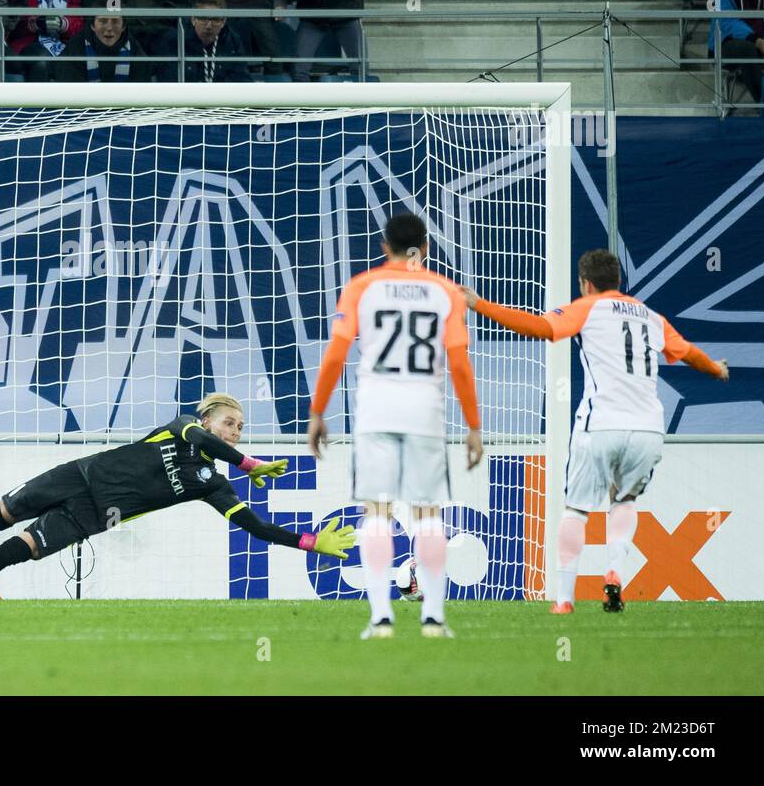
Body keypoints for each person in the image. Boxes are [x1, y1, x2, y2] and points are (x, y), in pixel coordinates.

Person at [0, 391, 355, 601]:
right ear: (207, 420)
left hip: (95, 515)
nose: (235, 431)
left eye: (241, 428)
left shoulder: (213, 483)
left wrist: (311, 543)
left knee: (10, 553)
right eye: (229, 423)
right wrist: (248, 462)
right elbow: (200, 441)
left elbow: (256, 528)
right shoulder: (180, 430)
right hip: (77, 476)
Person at [461, 250, 729, 615]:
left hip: (600, 424)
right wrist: (715, 368)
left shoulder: (587, 308)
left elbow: (540, 327)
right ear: (618, 280)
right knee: (624, 501)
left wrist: (480, 305)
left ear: (585, 283)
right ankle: (615, 572)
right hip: (647, 428)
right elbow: (688, 353)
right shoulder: (651, 317)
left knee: (576, 509)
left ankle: (565, 599)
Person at [308, 213, 483, 640]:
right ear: (424, 248)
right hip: (425, 413)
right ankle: (434, 618)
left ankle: (382, 617)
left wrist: (318, 412)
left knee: (378, 513)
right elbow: (459, 361)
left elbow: (334, 354)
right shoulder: (445, 291)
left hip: (376, 413)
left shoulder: (361, 287)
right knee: (427, 515)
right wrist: (474, 425)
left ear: (384, 246)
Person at [54, 11, 151, 80]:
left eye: (115, 21)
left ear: (123, 27)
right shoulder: (76, 47)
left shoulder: (134, 49)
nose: (109, 28)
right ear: (92, 26)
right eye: (103, 21)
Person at [180, 0, 248, 81]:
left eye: (215, 19)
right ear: (193, 19)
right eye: (203, 19)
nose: (209, 26)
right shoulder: (178, 41)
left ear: (223, 22)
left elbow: (242, 79)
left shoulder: (232, 41)